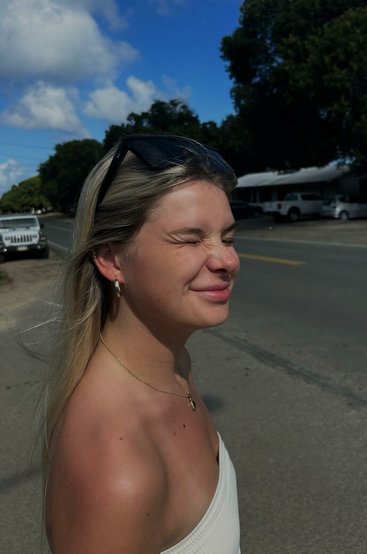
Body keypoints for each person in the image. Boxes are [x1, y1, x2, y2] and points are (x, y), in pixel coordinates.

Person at [43, 134, 241, 553]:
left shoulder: (174, 363)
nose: (227, 260)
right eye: (190, 238)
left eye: (227, 237)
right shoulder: (115, 470)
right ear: (111, 258)